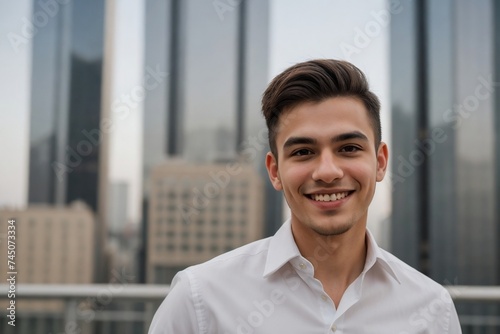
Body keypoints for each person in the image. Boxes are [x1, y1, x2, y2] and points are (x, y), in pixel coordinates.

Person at [148, 59, 461, 333]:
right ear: (274, 171)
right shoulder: (200, 299)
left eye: (349, 148)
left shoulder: (433, 309)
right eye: (303, 152)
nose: (327, 172)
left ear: (380, 161)